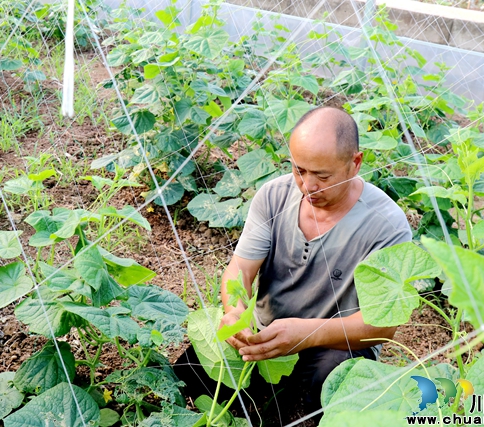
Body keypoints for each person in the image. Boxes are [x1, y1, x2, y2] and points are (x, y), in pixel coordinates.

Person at [175, 106, 411, 422]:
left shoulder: (386, 225)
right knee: (189, 373)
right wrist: (234, 312)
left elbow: (382, 326)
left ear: (355, 163)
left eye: (322, 176)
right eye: (299, 170)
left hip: (335, 344)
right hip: (268, 333)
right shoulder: (273, 196)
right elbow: (240, 270)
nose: (307, 186)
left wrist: (307, 334)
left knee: (325, 383)